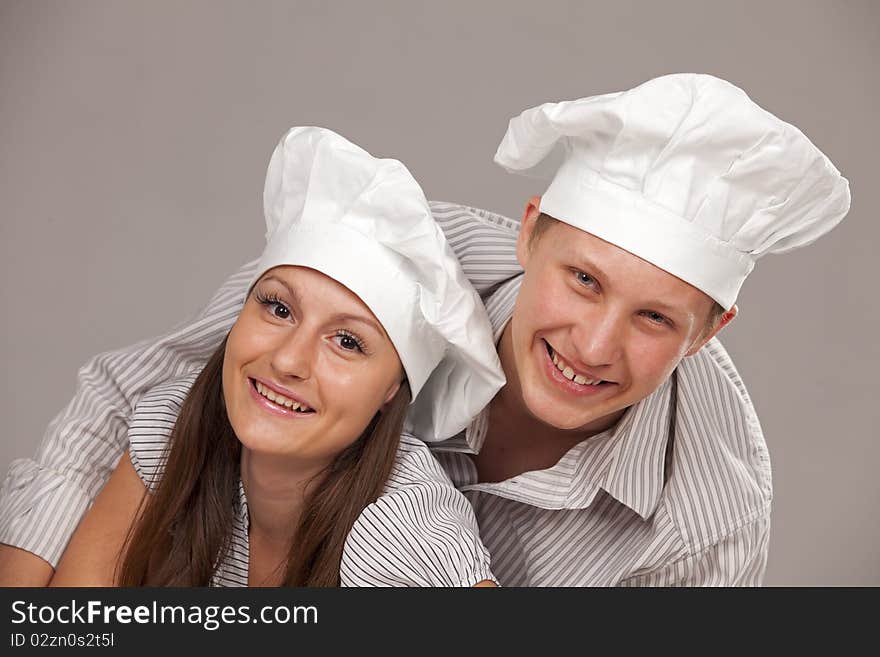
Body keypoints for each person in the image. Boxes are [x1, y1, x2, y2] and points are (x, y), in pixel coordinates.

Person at [0, 74, 851, 586]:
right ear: (530, 233)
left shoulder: (713, 512)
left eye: (655, 317)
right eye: (582, 280)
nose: (593, 345)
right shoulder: (378, 260)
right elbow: (139, 400)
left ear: (710, 330)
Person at [41, 126, 505, 586]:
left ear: (392, 389)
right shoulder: (176, 424)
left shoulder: (398, 535)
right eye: (279, 308)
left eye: (347, 341)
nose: (288, 361)